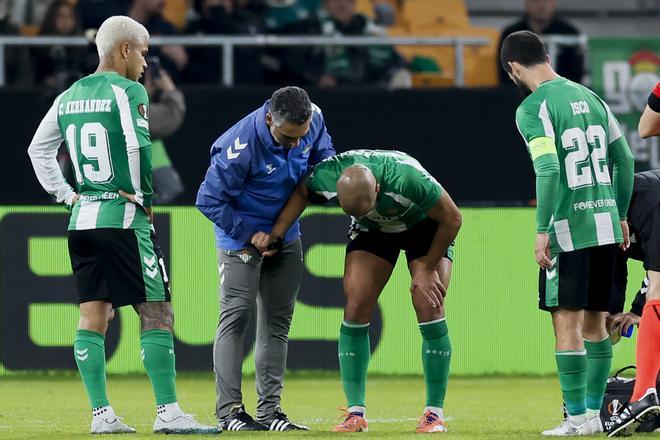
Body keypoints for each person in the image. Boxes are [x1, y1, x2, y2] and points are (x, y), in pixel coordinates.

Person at [26, 15, 219, 435]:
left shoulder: (69, 95)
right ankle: (168, 413)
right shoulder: (129, 91)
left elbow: (37, 150)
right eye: (144, 54)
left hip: (82, 220)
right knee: (157, 311)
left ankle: (102, 417)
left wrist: (67, 196)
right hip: (123, 216)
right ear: (125, 49)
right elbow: (137, 143)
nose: (146, 64)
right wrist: (142, 196)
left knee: (93, 316)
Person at [252, 149, 462, 433]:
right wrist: (277, 233)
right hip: (372, 230)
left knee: (429, 304)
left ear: (377, 189)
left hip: (425, 226)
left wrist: (427, 269)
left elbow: (453, 218)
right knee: (356, 304)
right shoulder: (327, 174)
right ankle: (355, 413)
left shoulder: (408, 179)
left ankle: (434, 414)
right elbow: (302, 191)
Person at [502, 30, 635, 435]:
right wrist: (621, 214)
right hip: (606, 225)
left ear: (513, 68)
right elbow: (625, 159)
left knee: (567, 324)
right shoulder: (591, 98)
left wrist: (542, 229)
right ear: (546, 56)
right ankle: (594, 417)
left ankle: (576, 417)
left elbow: (548, 168)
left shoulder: (532, 108)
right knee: (597, 325)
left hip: (568, 230)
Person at [196, 86, 335, 431]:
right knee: (236, 317)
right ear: (270, 118)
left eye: (300, 137)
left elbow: (325, 157)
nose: (295, 144)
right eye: (288, 138)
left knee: (277, 324)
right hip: (241, 241)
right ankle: (230, 413)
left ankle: (270, 413)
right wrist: (249, 234)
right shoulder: (239, 145)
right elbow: (208, 199)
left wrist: (324, 181)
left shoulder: (314, 118)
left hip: (286, 235)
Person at [606, 84, 660, 436]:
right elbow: (618, 266)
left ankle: (643, 394)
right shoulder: (618, 214)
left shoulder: (643, 202)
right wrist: (628, 310)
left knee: (659, 291)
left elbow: (645, 126)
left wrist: (642, 306)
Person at [319, 0, 409, 88]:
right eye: (336, 1)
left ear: (354, 4)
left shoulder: (370, 28)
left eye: (348, 1)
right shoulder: (315, 29)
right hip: (333, 91)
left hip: (373, 89)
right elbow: (312, 66)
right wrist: (320, 77)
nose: (342, 4)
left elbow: (397, 61)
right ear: (325, 4)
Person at [497, 0, 583, 84]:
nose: (541, 5)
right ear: (526, 3)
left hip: (563, 90)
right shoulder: (511, 33)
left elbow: (576, 74)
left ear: (554, 2)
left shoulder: (570, 33)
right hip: (518, 91)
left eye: (546, 0)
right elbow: (505, 72)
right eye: (535, 1)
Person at [184, 0, 264, 84]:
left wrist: (218, 12)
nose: (220, 4)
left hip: (245, 85)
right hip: (205, 85)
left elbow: (244, 46)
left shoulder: (245, 18)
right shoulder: (196, 26)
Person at [143, 58, 186, 203]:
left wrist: (146, 93)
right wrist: (170, 90)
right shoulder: (130, 109)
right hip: (148, 164)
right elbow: (171, 115)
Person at [33, 1, 91, 89]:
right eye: (60, 16)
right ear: (51, 18)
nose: (66, 21)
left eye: (70, 16)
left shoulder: (83, 46)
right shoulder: (39, 46)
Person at [128, 0, 188, 82]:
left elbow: (181, 63)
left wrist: (181, 60)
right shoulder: (117, 26)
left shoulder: (166, 29)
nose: (163, 1)